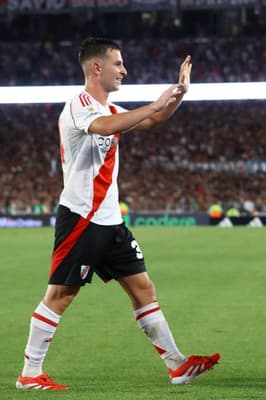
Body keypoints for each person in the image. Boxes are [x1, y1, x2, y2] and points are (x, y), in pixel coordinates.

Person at [16, 38, 220, 391]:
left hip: (110, 220)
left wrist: (179, 94)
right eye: (119, 64)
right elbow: (105, 127)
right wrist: (154, 103)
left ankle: (177, 365)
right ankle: (30, 373)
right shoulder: (80, 105)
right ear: (98, 68)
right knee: (61, 295)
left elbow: (151, 120)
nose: (124, 70)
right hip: (81, 217)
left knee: (144, 290)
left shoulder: (112, 110)